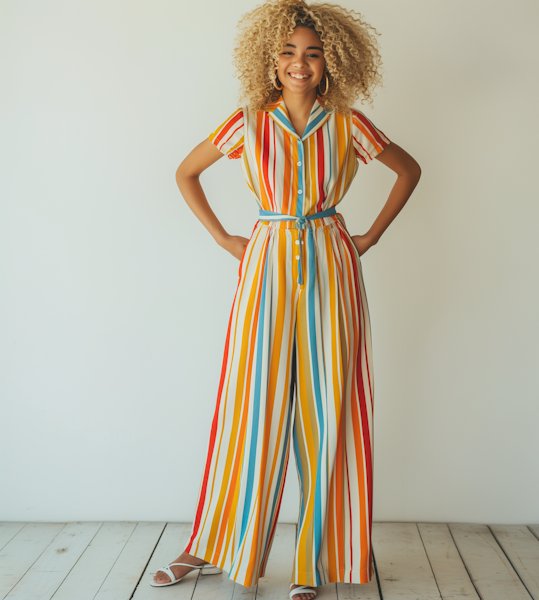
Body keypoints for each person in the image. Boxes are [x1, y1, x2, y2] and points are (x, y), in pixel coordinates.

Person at [151, 0, 421, 597]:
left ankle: (314, 565)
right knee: (252, 409)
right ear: (269, 61)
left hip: (331, 265)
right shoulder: (247, 121)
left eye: (313, 53)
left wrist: (370, 235)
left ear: (331, 62)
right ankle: (213, 545)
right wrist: (225, 238)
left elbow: (408, 170)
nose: (301, 63)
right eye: (289, 52)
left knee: (330, 413)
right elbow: (185, 173)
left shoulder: (349, 123)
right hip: (266, 264)